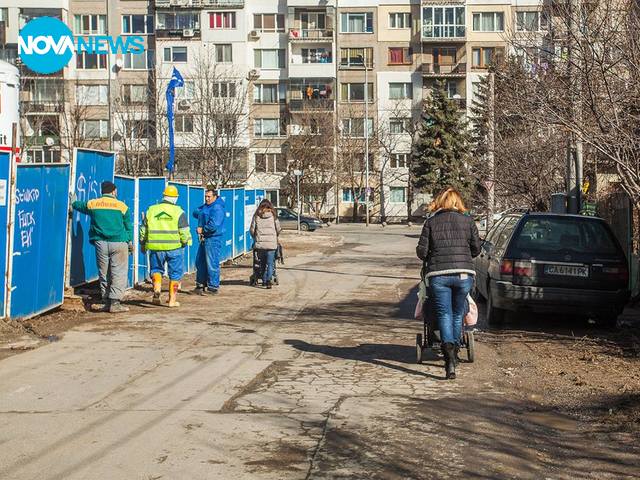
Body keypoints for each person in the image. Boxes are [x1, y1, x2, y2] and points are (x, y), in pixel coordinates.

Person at [416, 188, 481, 380]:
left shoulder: (431, 222)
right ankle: (455, 352)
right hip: (463, 275)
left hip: (439, 275)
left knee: (444, 313)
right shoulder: (468, 221)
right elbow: (476, 249)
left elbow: (421, 252)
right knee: (457, 312)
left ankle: (449, 360)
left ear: (440, 202)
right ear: (458, 202)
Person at [72, 181, 133, 313]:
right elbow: (128, 226)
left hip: (101, 243)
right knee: (118, 272)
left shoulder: (94, 203)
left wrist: (73, 202)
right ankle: (115, 303)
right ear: (113, 191)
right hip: (119, 242)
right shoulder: (122, 206)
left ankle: (105, 301)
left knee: (103, 272)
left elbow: (80, 206)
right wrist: (129, 242)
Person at [139, 185, 192, 307]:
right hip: (175, 248)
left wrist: (143, 243)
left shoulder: (151, 210)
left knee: (156, 270)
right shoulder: (179, 212)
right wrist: (184, 242)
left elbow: (143, 230)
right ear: (175, 198)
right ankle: (172, 301)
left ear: (164, 196)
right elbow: (184, 231)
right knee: (175, 274)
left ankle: (157, 291)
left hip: (156, 248)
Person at [193, 189, 225, 295]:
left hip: (213, 238)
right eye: (206, 196)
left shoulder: (217, 208)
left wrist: (202, 229)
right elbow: (196, 212)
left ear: (215, 197)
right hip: (205, 238)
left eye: (209, 197)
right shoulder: (207, 206)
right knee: (200, 262)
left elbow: (214, 225)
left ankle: (213, 287)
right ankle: (200, 284)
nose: (207, 198)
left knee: (212, 263)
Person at [250, 199, 282, 289]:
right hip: (271, 244)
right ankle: (268, 281)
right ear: (270, 206)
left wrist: (255, 237)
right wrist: (275, 236)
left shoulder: (256, 216)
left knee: (262, 263)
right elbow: (278, 229)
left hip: (260, 244)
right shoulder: (274, 216)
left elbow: (252, 229)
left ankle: (264, 280)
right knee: (270, 263)